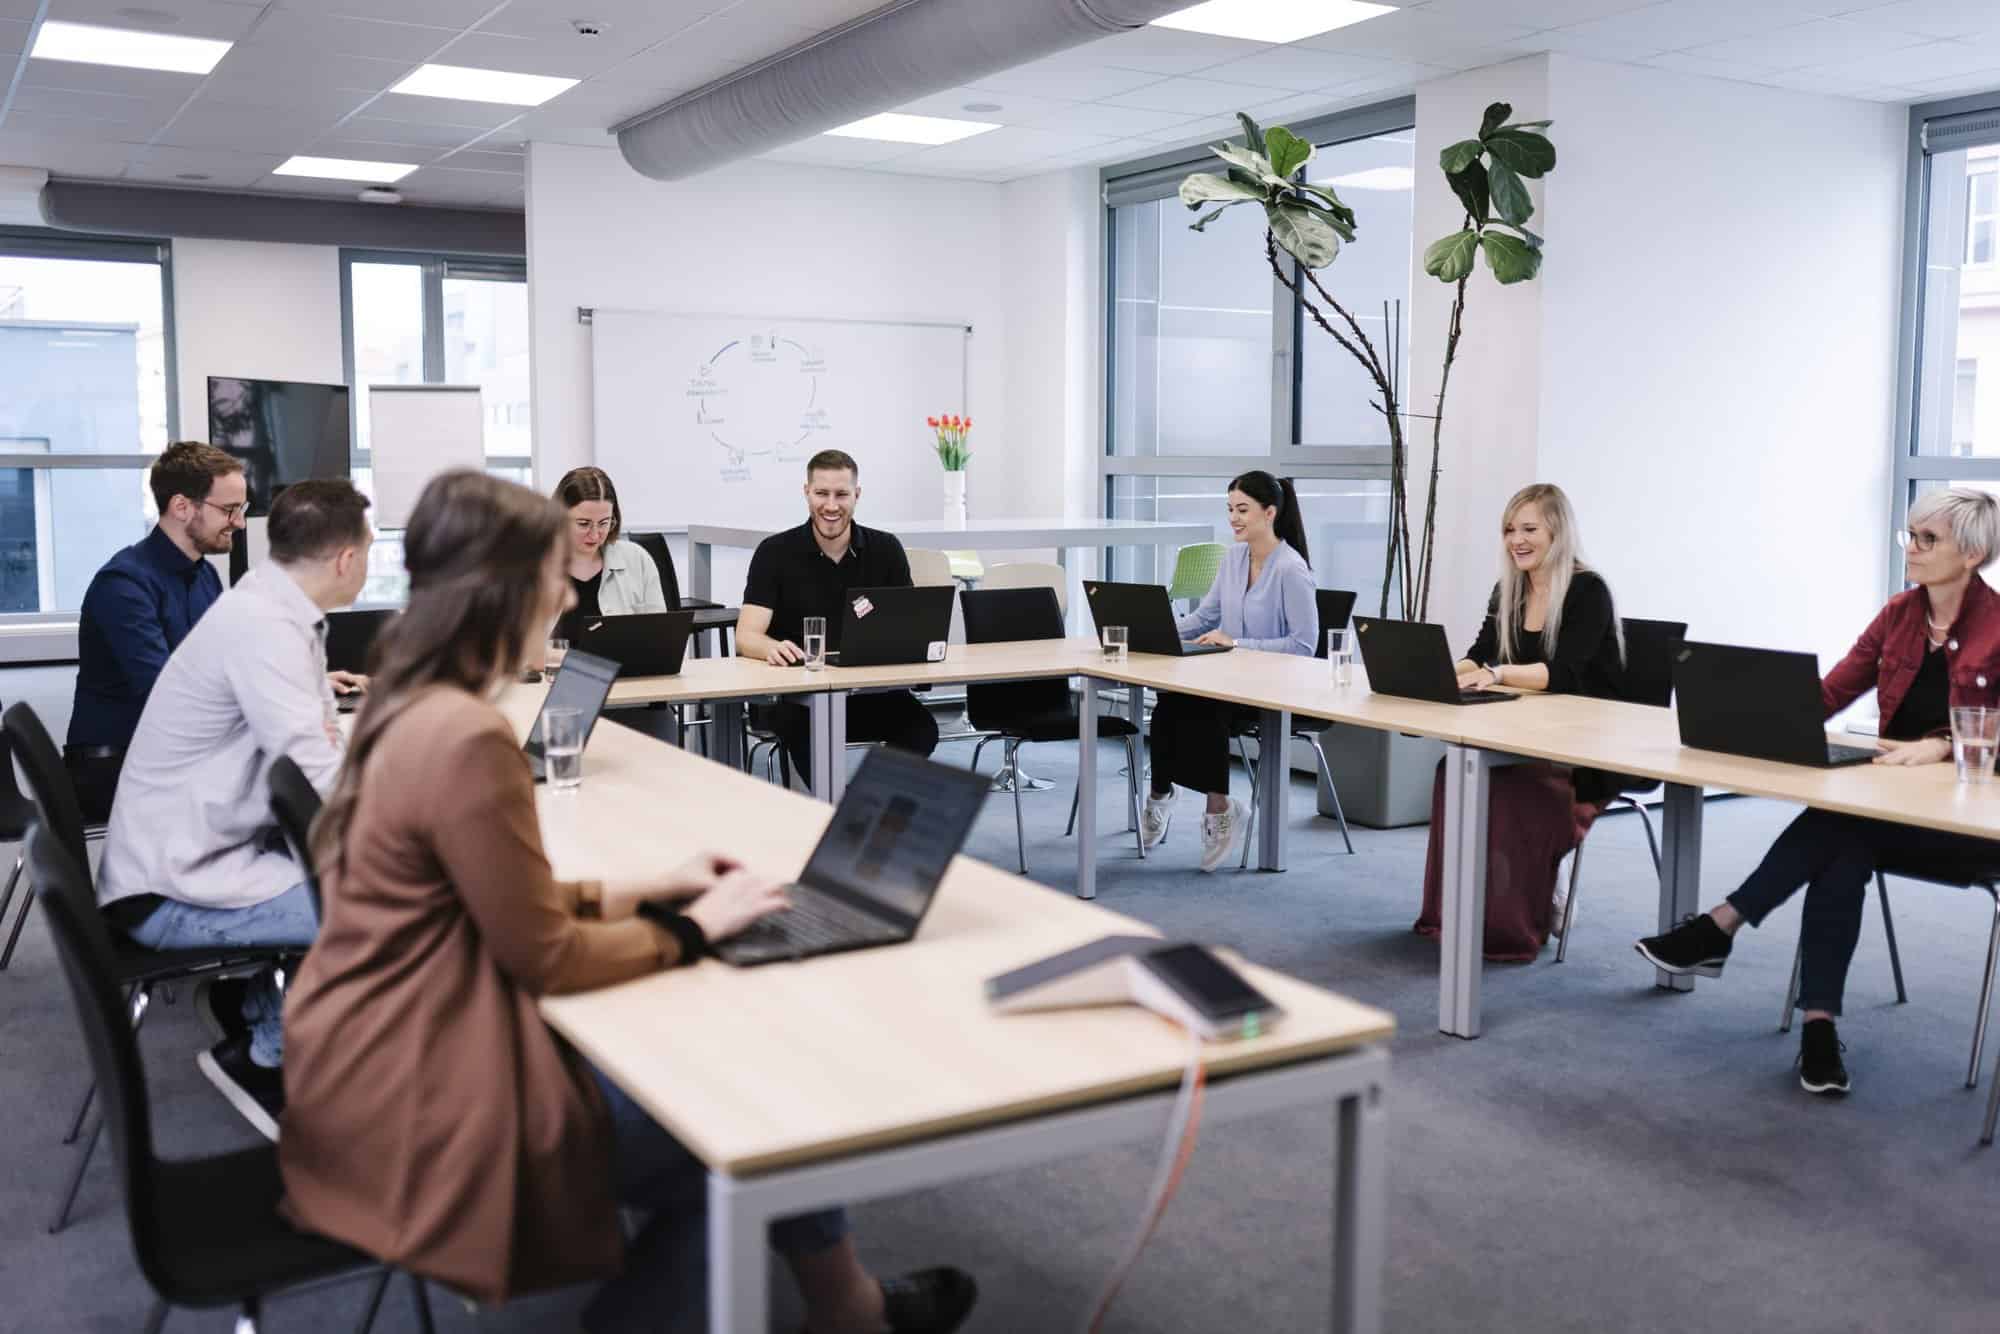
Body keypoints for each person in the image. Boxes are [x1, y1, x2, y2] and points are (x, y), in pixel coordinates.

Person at [278, 471, 977, 1334]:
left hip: (370, 1062)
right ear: (501, 591)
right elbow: (545, 956)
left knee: (721, 1083)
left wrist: (649, 888)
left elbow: (492, 898)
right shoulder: (465, 738)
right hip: (434, 1103)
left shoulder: (406, 703)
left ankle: (845, 1307)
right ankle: (827, 1310)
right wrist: (687, 928)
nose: (569, 593)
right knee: (754, 1114)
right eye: (552, 575)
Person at [1637, 487, 2000, 1097]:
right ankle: (1818, 1027)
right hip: (1890, 810)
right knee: (1842, 843)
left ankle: (1720, 928)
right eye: (1910, 535)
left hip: (1969, 826)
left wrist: (1941, 745)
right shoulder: (1899, 614)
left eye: (1928, 539)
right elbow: (1831, 692)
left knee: (1839, 827)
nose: (1912, 547)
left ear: (1972, 554)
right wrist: (1754, 719)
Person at [96, 479, 374, 1139]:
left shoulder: (268, 609)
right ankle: (263, 1057)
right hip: (167, 890)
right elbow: (317, 778)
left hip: (185, 853)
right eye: (368, 549)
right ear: (346, 559)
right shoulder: (265, 630)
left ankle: (257, 1005)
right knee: (389, 909)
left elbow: (316, 756)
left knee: (360, 869)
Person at [1414, 482, 1626, 960]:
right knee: (1454, 770)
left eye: (1529, 529)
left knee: (1511, 785)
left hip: (1586, 744)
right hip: (1527, 730)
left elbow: (1565, 673)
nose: (1517, 540)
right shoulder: (1509, 588)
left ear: (1557, 532)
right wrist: (1435, 674)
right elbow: (1480, 653)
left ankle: (1523, 913)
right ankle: (1456, 915)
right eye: (1510, 530)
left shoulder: (1588, 590)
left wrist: (1498, 674)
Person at [1141, 472, 1319, 873]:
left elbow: (1304, 646)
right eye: (1230, 510)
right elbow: (1206, 617)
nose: (1234, 519)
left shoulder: (1291, 569)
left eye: (1243, 510)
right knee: (1169, 703)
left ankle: (1220, 809)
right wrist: (1157, 629)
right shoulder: (1233, 559)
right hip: (1228, 680)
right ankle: (1160, 795)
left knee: (1207, 710)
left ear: (1269, 513)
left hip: (1272, 688)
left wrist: (1237, 643)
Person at [67, 442, 245, 822]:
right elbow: (166, 693)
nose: (240, 523)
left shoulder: (204, 575)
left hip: (170, 753)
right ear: (181, 507)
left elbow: (225, 664)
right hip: (114, 766)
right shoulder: (124, 584)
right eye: (230, 510)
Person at [737, 450, 940, 779]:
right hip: (800, 699)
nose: (831, 506)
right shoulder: (774, 552)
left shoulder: (886, 549)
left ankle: (866, 802)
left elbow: (909, 630)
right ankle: (841, 807)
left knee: (921, 731)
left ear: (856, 495)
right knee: (808, 740)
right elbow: (746, 635)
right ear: (807, 492)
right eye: (821, 493)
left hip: (872, 695)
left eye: (841, 494)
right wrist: (770, 647)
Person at [550, 466, 667, 641]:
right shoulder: (532, 565)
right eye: (583, 524)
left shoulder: (637, 559)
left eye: (604, 523)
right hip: (555, 660)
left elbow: (661, 636)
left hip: (625, 660)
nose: (595, 535)